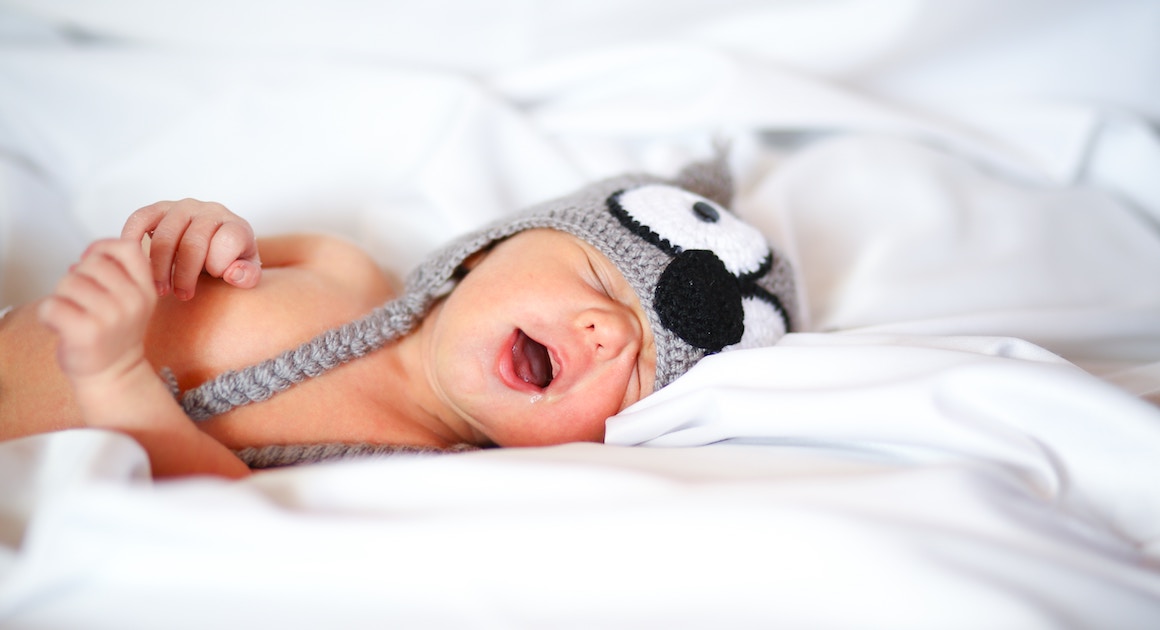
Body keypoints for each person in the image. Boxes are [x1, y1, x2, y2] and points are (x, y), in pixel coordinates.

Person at [0, 154, 798, 478]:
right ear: (486, 251)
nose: (611, 334)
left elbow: (215, 498)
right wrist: (189, 229)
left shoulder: (416, 469)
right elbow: (176, 257)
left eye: (639, 378)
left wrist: (112, 376)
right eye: (597, 276)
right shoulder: (334, 265)